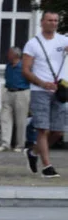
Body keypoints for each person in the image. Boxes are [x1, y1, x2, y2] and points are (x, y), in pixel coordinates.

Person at [22, 10, 68, 178]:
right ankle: (47, 166)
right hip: (39, 91)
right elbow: (25, 70)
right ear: (42, 22)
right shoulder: (33, 44)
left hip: (60, 90)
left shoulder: (63, 40)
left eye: (56, 20)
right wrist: (42, 83)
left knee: (58, 132)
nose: (53, 23)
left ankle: (33, 152)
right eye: (50, 20)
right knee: (43, 129)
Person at [0, 47, 30, 152]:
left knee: (21, 120)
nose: (7, 55)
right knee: (5, 118)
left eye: (9, 53)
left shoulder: (24, 66)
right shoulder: (8, 66)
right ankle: (5, 143)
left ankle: (20, 145)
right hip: (8, 91)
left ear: (15, 55)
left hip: (21, 92)